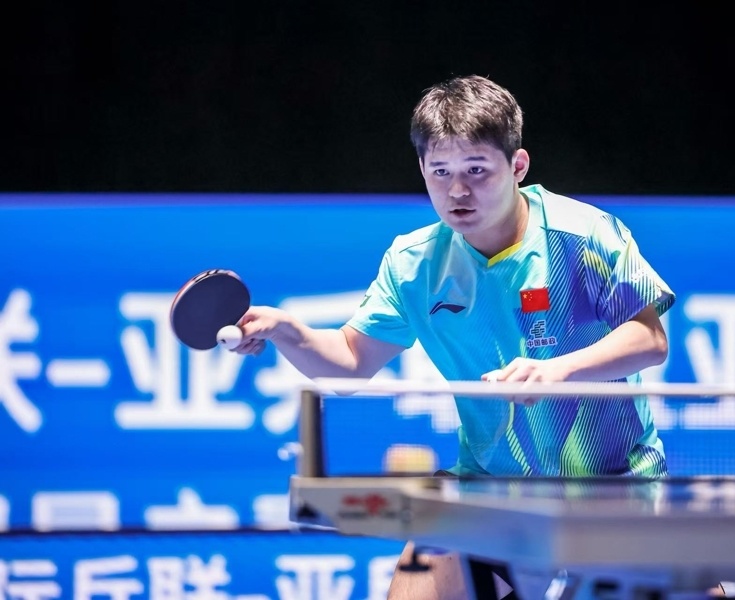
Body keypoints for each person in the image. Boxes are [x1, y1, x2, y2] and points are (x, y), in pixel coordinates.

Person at [233, 75, 675, 600]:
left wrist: (558, 370)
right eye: (440, 172)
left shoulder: (584, 235)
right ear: (422, 169)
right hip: (491, 489)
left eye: (476, 170)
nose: (457, 191)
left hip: (614, 486)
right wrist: (287, 331)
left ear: (518, 166)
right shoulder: (415, 263)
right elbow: (349, 363)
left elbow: (650, 339)